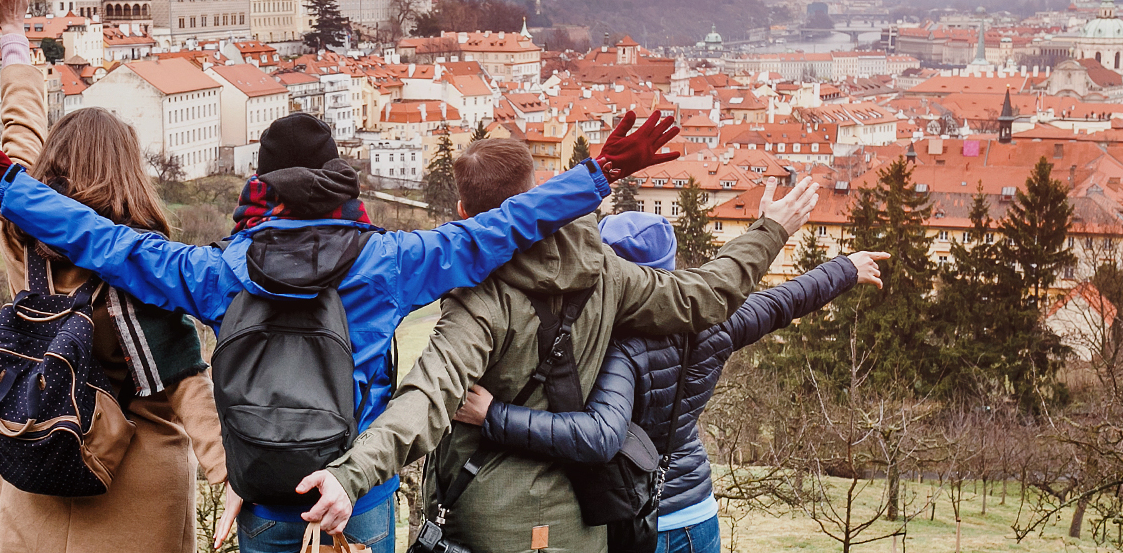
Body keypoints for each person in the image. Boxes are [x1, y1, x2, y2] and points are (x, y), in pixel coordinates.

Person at [0, 103, 685, 552]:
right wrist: (596, 173)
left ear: (262, 190)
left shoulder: (219, 274)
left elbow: (106, 242)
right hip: (356, 487)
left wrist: (13, 189)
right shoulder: (391, 263)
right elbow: (500, 227)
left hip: (267, 488)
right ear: (338, 183)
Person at [297, 138, 820, 553]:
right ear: (536, 193)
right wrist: (771, 230)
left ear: (463, 209)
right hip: (580, 525)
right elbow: (703, 296)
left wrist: (351, 475)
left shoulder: (481, 298)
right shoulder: (605, 272)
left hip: (487, 524)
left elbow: (427, 398)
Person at [0, 0, 227, 553]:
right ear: (129, 170)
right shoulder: (146, 262)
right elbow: (187, 380)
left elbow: (21, 131)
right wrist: (235, 476)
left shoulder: (23, 231)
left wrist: (15, 35)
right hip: (139, 488)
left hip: (37, 454)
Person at [458, 212, 887, 553]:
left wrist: (493, 416)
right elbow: (782, 301)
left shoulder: (615, 347)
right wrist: (845, 269)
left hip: (644, 520)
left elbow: (600, 435)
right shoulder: (713, 324)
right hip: (699, 511)